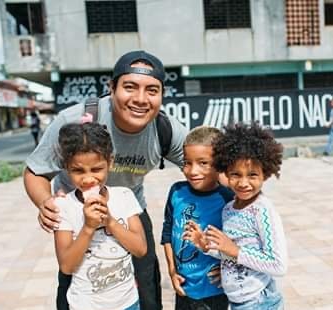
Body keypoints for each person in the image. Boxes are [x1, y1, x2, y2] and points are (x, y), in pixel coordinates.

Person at [23, 50, 188, 310]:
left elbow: (207, 166)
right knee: (74, 282)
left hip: (129, 208)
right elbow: (35, 172)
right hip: (76, 214)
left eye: (152, 90)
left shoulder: (165, 130)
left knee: (147, 289)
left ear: (162, 95)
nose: (140, 99)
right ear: (111, 88)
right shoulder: (73, 122)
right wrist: (46, 203)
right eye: (130, 87)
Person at [183, 122, 288, 310]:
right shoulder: (229, 208)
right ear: (225, 173)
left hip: (261, 302)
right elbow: (228, 251)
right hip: (237, 303)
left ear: (265, 174)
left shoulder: (263, 211)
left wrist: (235, 251)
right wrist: (206, 246)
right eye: (235, 174)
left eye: (253, 175)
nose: (243, 183)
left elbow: (278, 264)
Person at [54, 122, 147, 310]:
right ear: (67, 167)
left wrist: (110, 222)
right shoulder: (64, 207)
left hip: (128, 302)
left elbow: (140, 249)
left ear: (110, 162)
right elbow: (66, 266)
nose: (88, 179)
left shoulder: (124, 196)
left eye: (96, 169)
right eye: (78, 171)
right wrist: (88, 227)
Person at [161, 126, 234, 310]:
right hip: (184, 289)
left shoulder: (228, 198)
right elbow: (168, 233)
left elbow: (242, 242)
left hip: (215, 292)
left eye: (203, 163)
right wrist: (172, 271)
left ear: (220, 163)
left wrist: (228, 268)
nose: (193, 171)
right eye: (187, 162)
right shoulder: (177, 192)